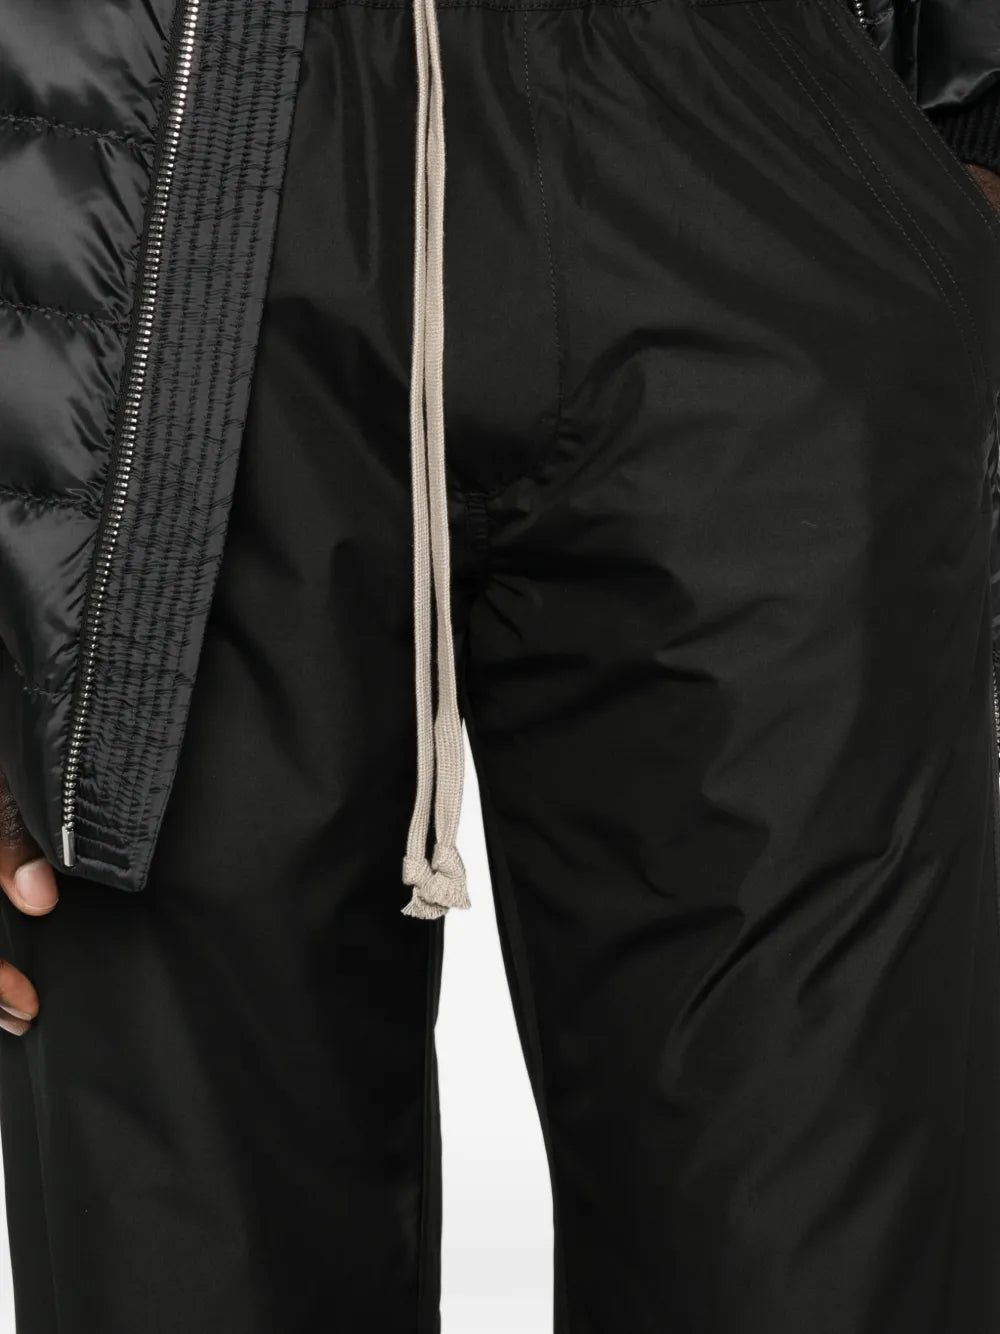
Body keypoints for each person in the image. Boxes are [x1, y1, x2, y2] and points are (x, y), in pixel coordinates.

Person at [1, 0, 999, 1329]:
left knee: (833, 1260)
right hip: (144, 188)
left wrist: (974, 142)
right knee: (184, 1273)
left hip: (752, 136)